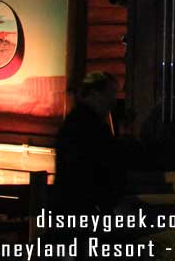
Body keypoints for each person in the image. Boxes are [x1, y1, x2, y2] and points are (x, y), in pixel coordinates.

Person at [54, 71, 127, 215]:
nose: (112, 101)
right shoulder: (89, 126)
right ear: (94, 94)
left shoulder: (77, 122)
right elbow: (98, 167)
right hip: (85, 209)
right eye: (109, 94)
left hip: (76, 206)